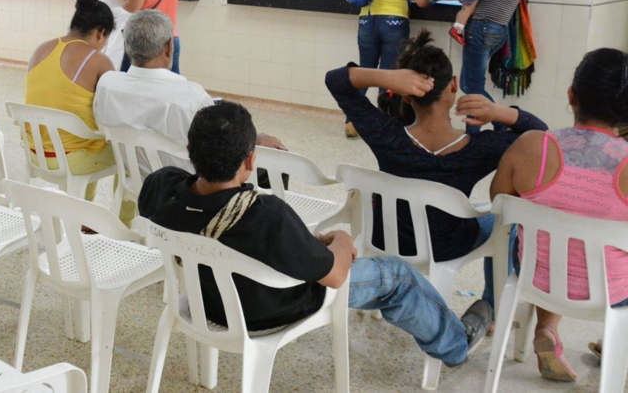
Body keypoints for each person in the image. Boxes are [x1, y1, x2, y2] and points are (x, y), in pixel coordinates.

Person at [138, 103, 491, 367]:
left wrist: (311, 243)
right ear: (250, 161)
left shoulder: (161, 186)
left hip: (207, 302)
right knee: (396, 276)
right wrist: (341, 241)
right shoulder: (265, 213)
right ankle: (456, 345)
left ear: (191, 151)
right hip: (270, 309)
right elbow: (335, 275)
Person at [326, 30, 547, 319]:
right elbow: (539, 137)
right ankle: (492, 309)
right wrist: (498, 113)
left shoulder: (386, 136)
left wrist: (387, 78)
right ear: (454, 85)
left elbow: (336, 80)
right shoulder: (480, 148)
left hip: (386, 237)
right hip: (447, 246)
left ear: (406, 95)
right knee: (505, 221)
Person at [490, 48, 628, 382]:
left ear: (571, 95)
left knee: (551, 242)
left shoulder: (530, 146)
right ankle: (619, 339)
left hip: (537, 278)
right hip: (614, 291)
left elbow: (499, 201)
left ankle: (547, 329)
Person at [94, 8, 287, 153]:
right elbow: (222, 142)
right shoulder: (192, 98)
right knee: (275, 155)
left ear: (126, 44)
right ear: (169, 47)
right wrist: (256, 139)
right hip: (186, 185)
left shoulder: (107, 85)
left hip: (133, 179)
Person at [25, 0, 130, 223]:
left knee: (90, 140)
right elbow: (113, 112)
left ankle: (83, 216)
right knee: (130, 155)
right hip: (69, 158)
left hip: (34, 151)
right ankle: (123, 225)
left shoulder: (41, 49)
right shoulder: (98, 60)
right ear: (100, 33)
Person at [351, 0, 432, 137]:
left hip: (367, 19)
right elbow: (421, 0)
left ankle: (352, 120)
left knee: (364, 71)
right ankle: (383, 123)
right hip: (394, 22)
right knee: (388, 75)